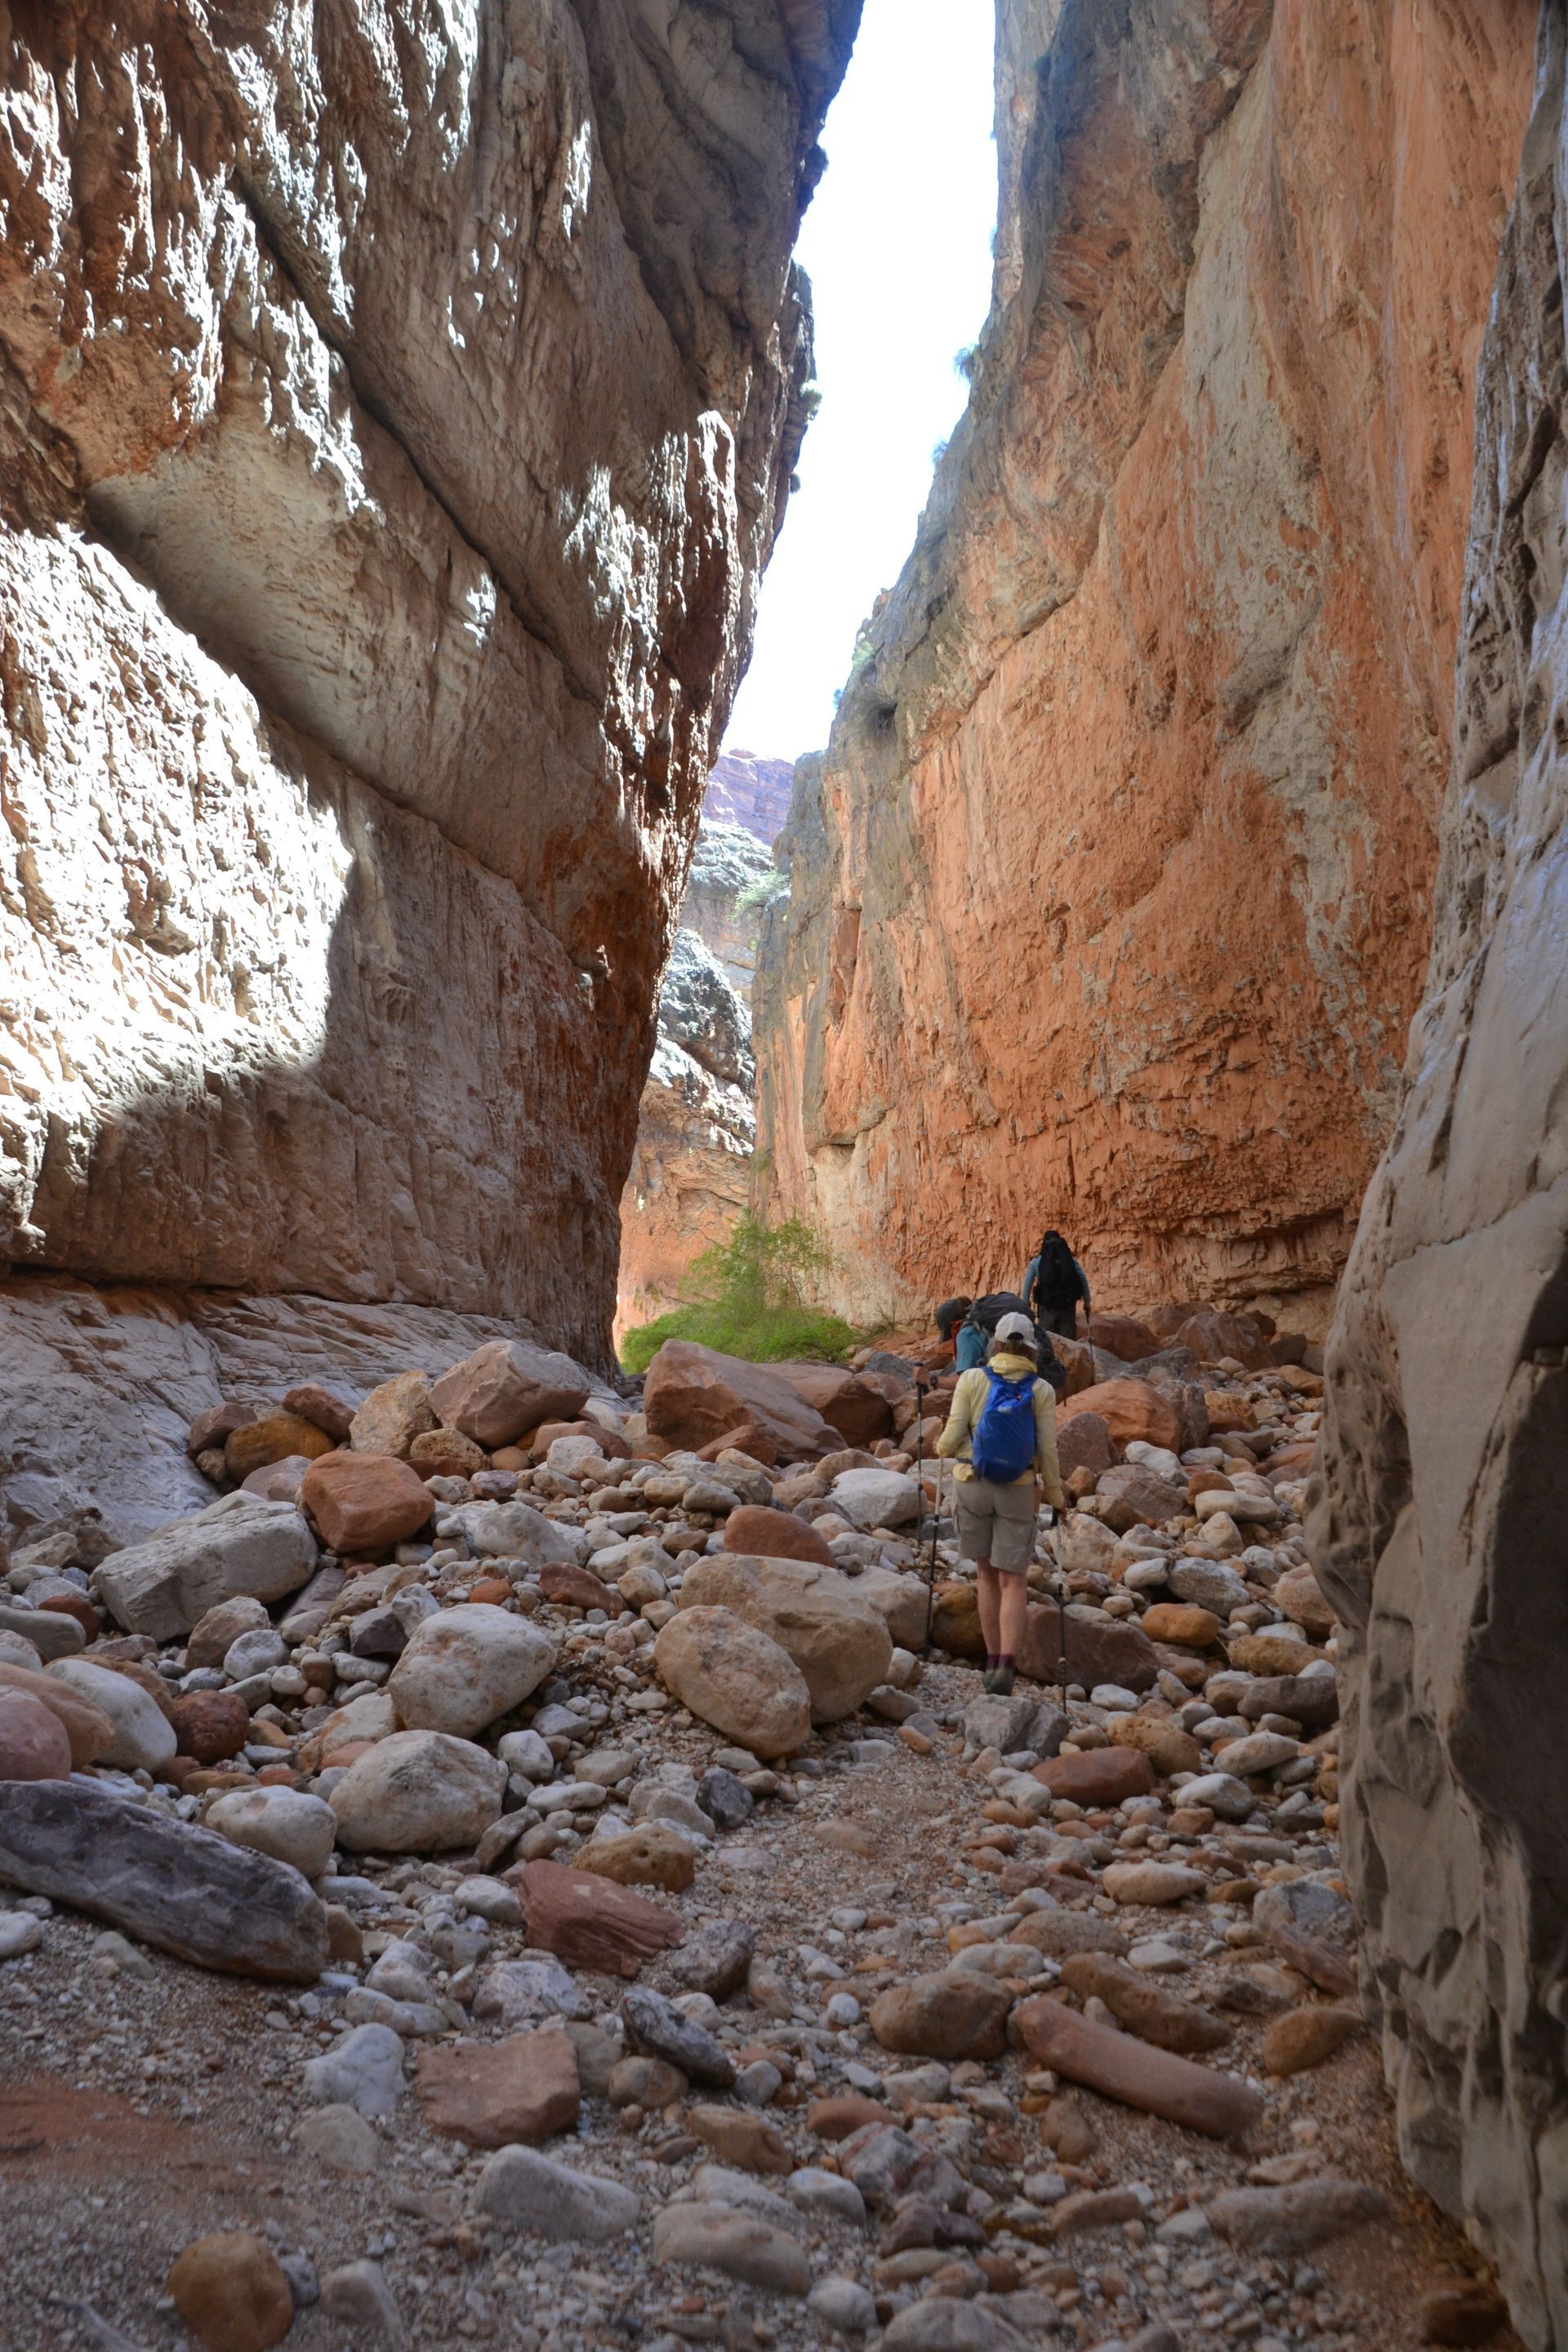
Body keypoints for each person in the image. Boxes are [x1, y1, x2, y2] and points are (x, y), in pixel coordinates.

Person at [936, 1311, 1067, 1695]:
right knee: (1014, 1579)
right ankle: (1008, 1665)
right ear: (1030, 1346)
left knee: (986, 1576)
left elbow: (951, 1436)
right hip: (1018, 1488)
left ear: (995, 1343)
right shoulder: (1041, 1389)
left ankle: (990, 1662)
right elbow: (1048, 1451)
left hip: (972, 1484)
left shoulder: (973, 1379)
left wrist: (942, 1448)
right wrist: (1057, 1498)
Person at [956, 1290, 1067, 1394]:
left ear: (996, 1346)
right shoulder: (1043, 1387)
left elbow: (964, 1387)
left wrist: (938, 1381)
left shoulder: (975, 1379)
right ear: (1031, 1348)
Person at [1023, 1230, 1092, 1338]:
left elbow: (1027, 1283)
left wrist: (1025, 1302)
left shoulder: (1037, 1262)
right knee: (1068, 1342)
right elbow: (1082, 1278)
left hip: (1046, 1307)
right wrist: (1087, 1301)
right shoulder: (1070, 1260)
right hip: (1067, 1307)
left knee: (1047, 1339)